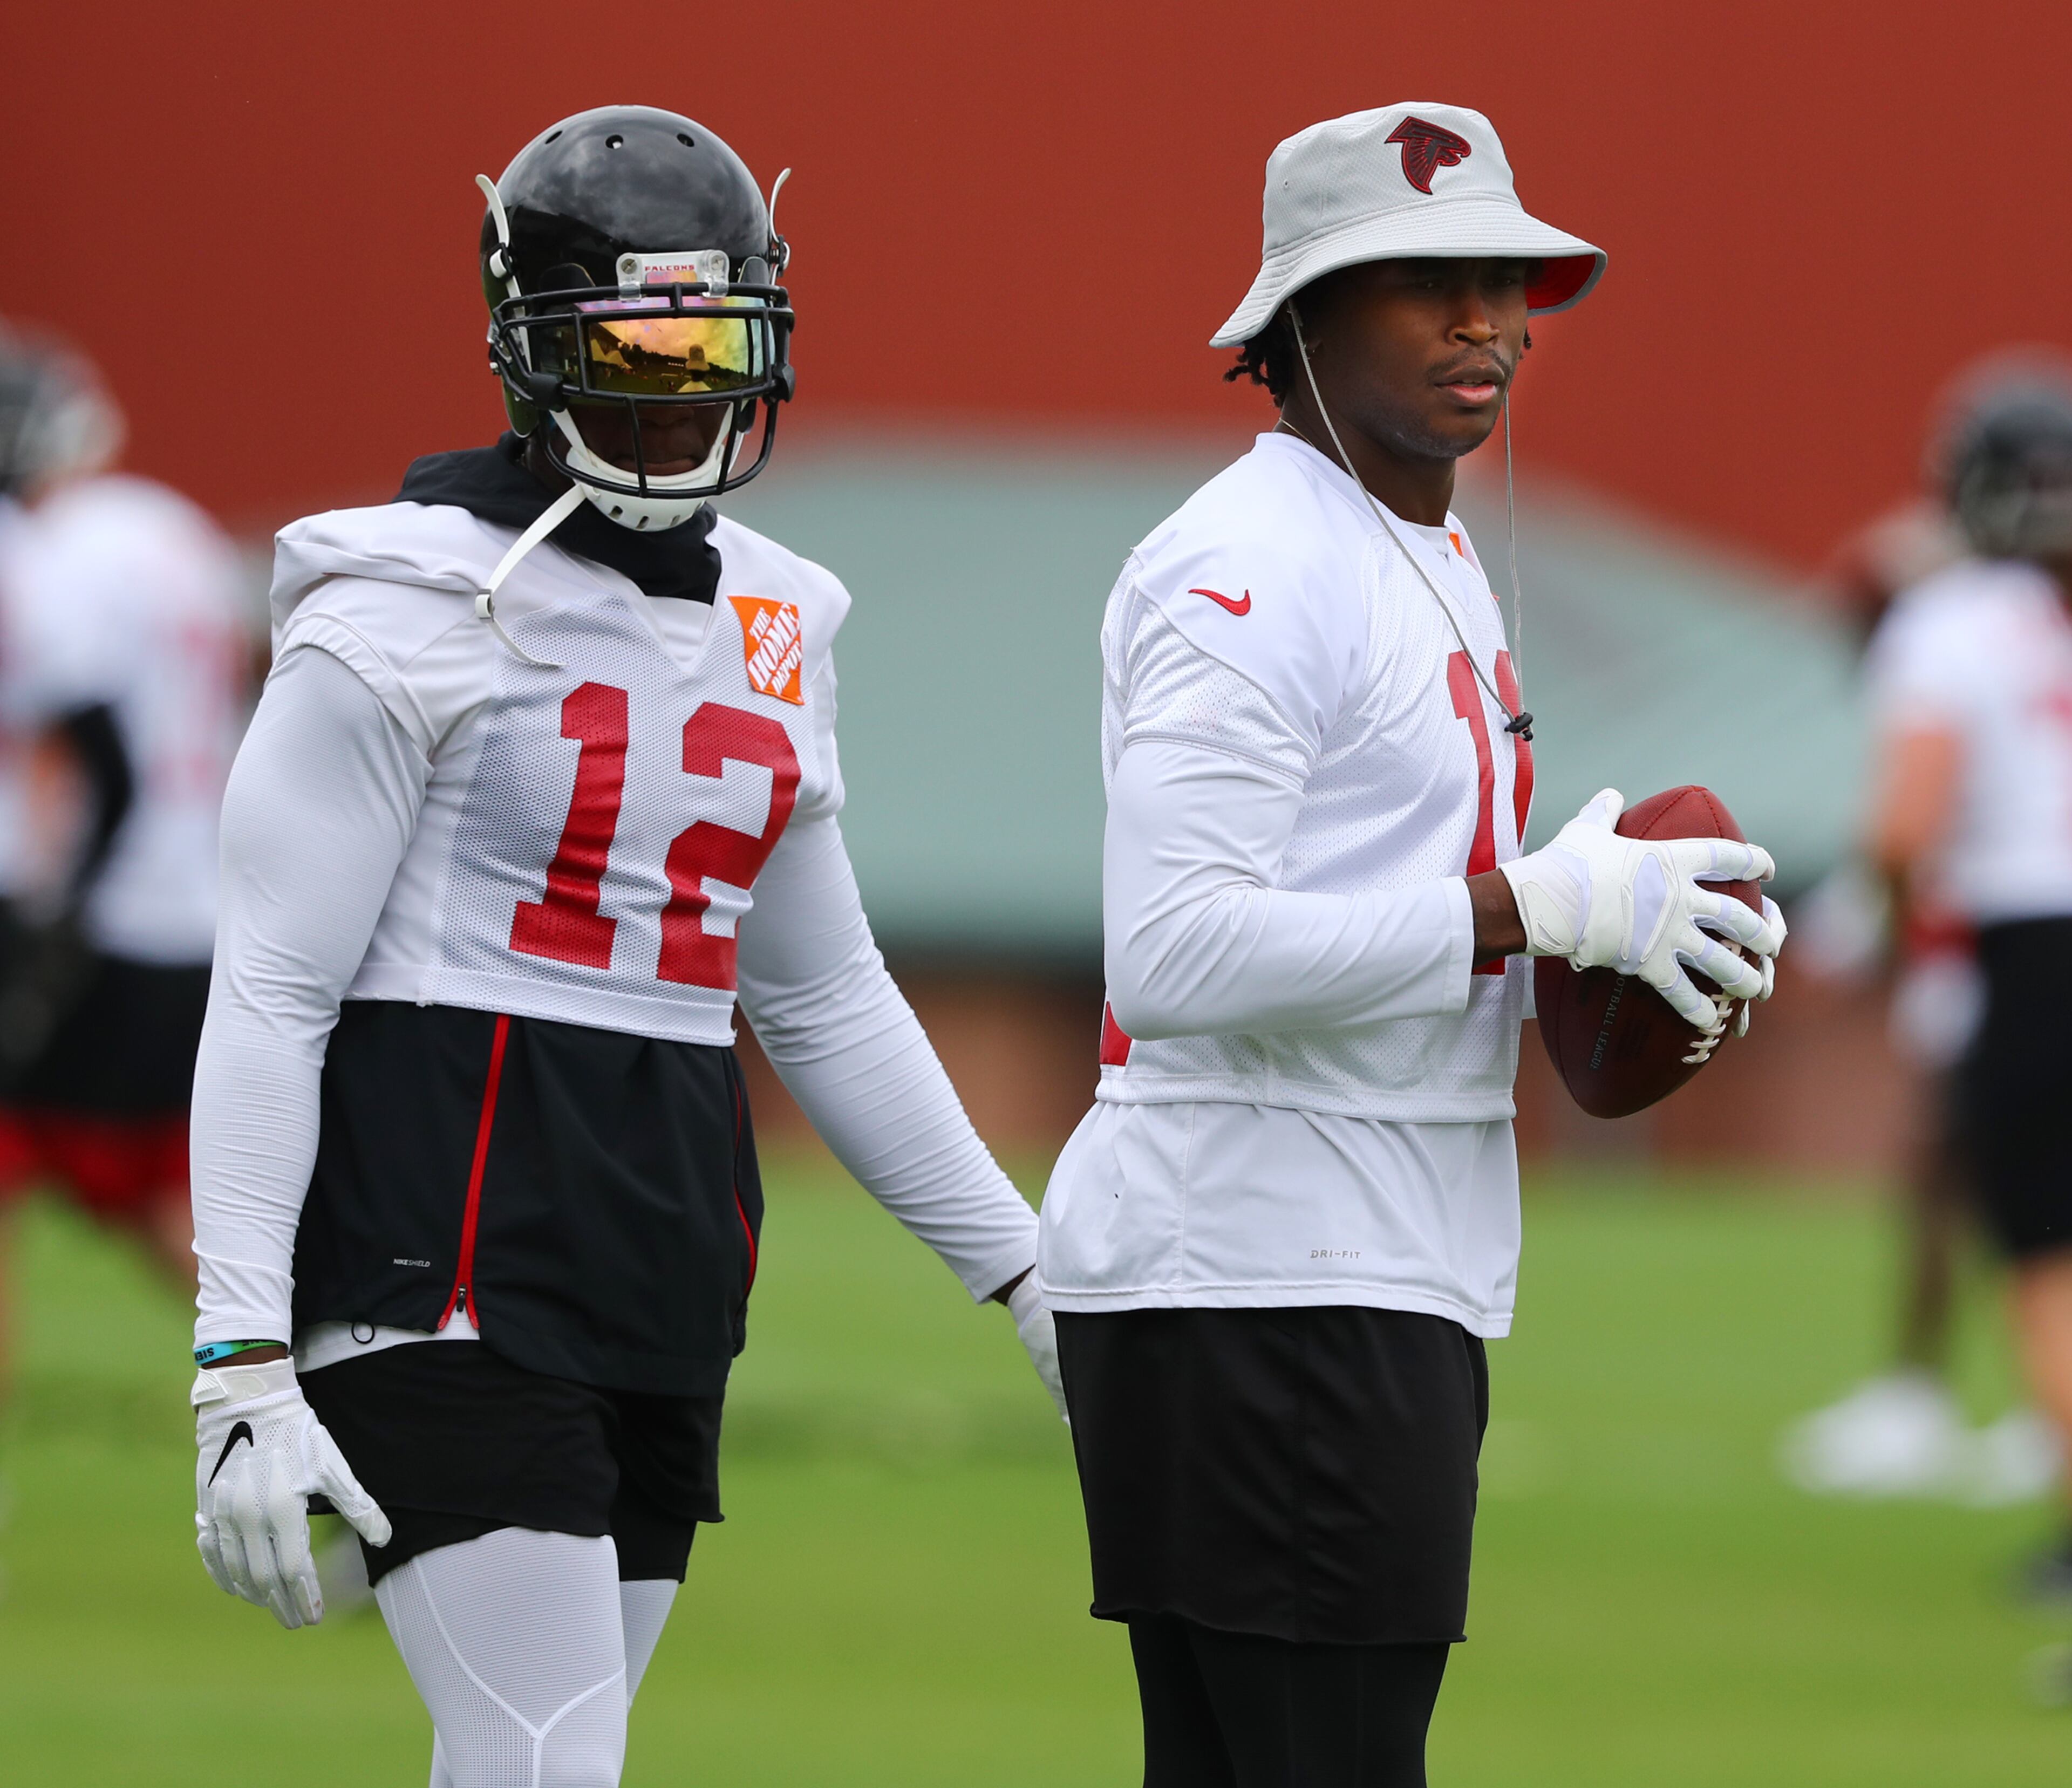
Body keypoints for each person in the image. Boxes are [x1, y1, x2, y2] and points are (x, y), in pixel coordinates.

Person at [187, 105, 1062, 1788]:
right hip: (440, 1246)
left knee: (546, 1753)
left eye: (706, 348)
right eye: (629, 350)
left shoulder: (781, 613)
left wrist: (1025, 1271)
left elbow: (820, 990)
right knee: (546, 1753)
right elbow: (276, 988)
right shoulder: (402, 599)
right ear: (530, 349)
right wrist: (238, 1354)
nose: (673, 392)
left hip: (664, 1239)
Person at [1035, 104, 1785, 1787]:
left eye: (1506, 280)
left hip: (1341, 1263)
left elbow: (1372, 886)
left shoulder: (1418, 545)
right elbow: (1172, 953)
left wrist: (1621, 915)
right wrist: (1530, 907)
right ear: (1300, 314)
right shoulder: (1248, 564)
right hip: (1270, 1274)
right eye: (1422, 279)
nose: (1483, 320)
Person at [1857, 359, 2072, 1588]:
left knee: (2046, 1258)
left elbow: (1903, 830)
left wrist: (1902, 940)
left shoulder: (1953, 622)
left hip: (2035, 953)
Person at [0, 331, 244, 1405]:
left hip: (96, 903)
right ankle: (329, 1394)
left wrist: (59, 905)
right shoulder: (167, 526)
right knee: (158, 1195)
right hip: (194, 903)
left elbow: (89, 748)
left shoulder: (52, 549)